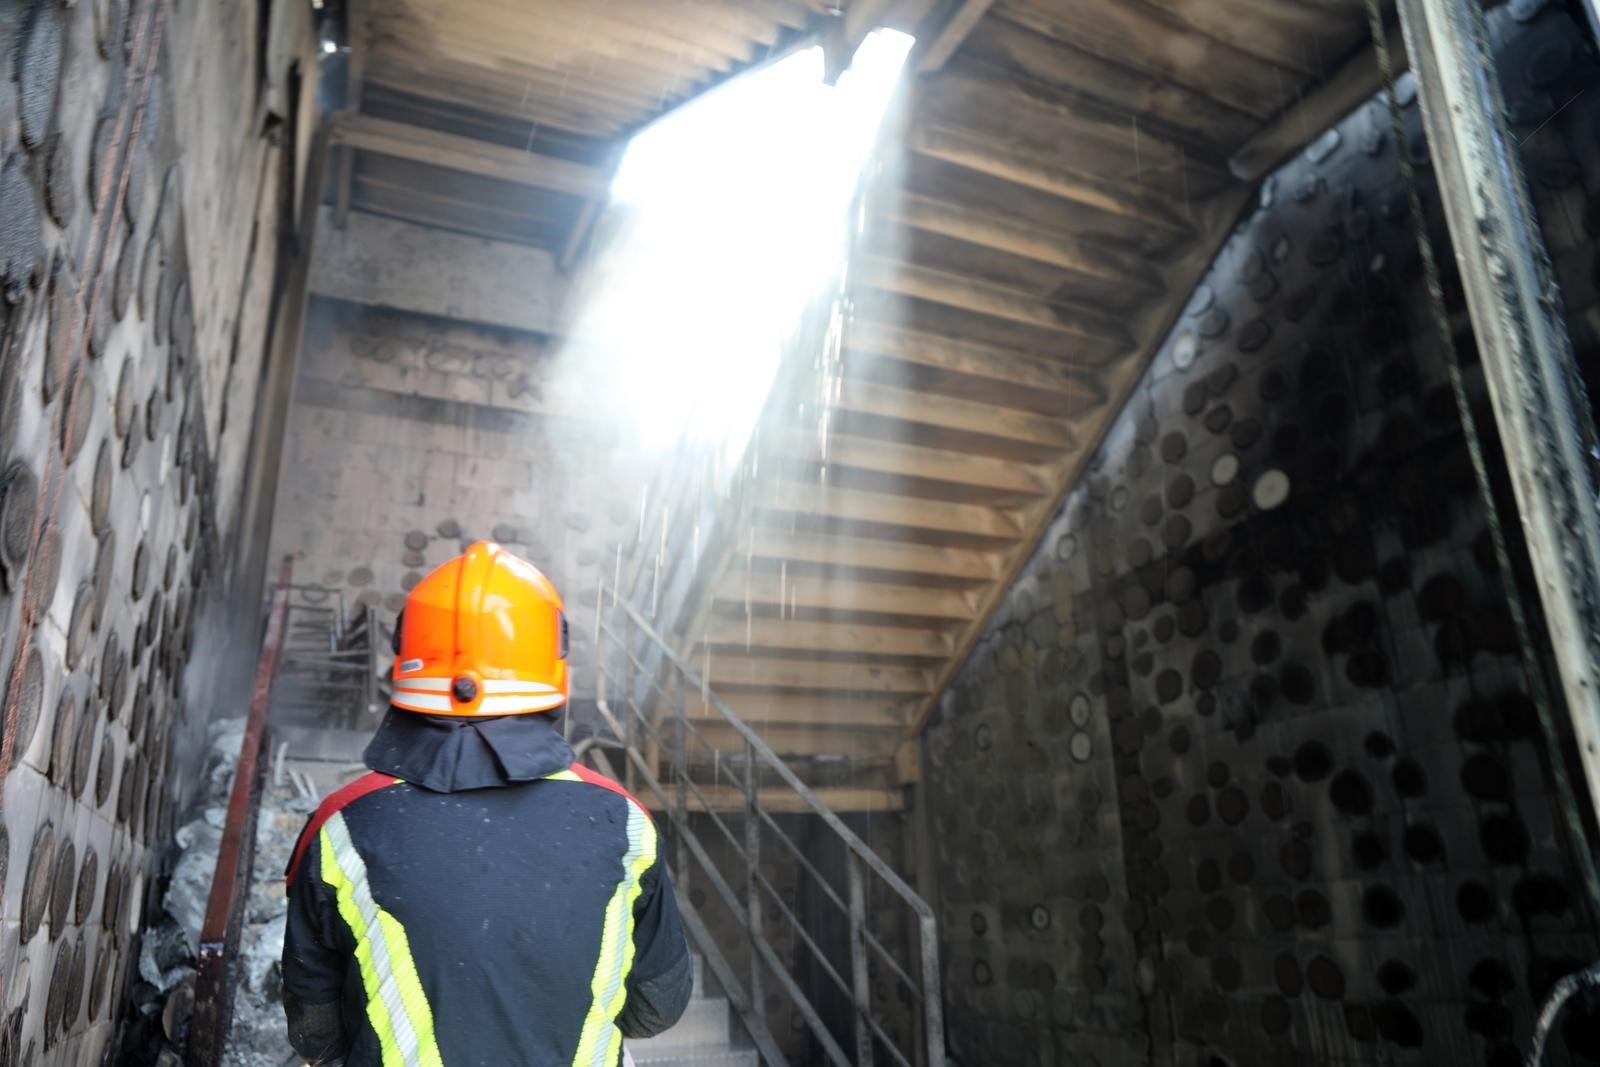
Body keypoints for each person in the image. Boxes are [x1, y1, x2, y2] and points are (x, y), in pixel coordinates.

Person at [281, 541, 692, 1066]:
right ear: (553, 661)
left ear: (405, 658)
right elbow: (657, 1008)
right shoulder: (625, 822)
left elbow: (315, 1033)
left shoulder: (341, 826)